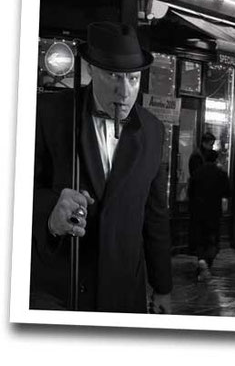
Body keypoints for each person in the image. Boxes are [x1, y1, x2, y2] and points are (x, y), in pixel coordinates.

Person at [31, 21, 172, 313]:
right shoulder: (48, 114)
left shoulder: (154, 131)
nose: (124, 92)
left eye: (133, 79)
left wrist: (162, 288)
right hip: (60, 289)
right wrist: (49, 212)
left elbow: (155, 216)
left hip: (123, 291)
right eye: (114, 77)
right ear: (92, 69)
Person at [188, 149, 231, 280]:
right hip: (214, 211)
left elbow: (191, 193)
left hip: (199, 211)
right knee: (212, 239)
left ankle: (201, 259)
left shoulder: (197, 173)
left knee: (200, 238)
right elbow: (227, 192)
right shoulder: (221, 174)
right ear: (216, 159)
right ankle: (207, 261)